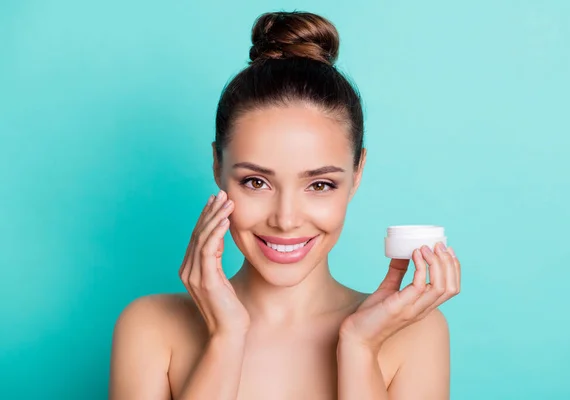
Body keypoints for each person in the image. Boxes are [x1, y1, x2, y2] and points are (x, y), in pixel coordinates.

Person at [109, 10, 461, 400]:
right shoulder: (150, 328)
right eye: (256, 182)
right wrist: (227, 339)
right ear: (217, 166)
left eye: (320, 184)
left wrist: (359, 348)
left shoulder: (414, 333)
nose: (286, 219)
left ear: (357, 174)